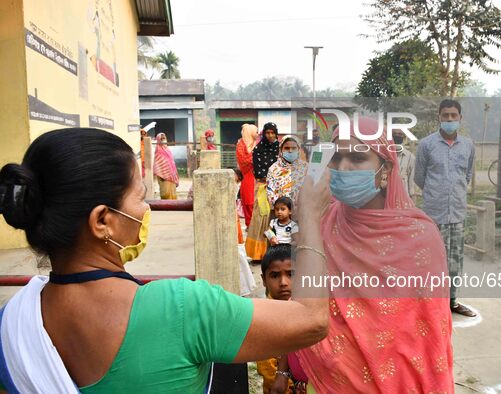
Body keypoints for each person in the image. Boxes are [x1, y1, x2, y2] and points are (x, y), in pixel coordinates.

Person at [0, 127, 331, 393]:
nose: (145, 210)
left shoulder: (11, 324)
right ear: (102, 220)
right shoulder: (183, 308)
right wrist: (311, 218)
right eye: (139, 197)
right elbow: (312, 321)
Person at [296, 118, 453, 393]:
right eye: (336, 158)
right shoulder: (322, 223)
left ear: (385, 169)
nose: (343, 168)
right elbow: (302, 310)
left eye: (356, 159)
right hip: (330, 382)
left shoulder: (420, 238)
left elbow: (429, 337)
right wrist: (307, 218)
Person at [414, 99, 477, 317]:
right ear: (439, 117)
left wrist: (454, 192)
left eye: (453, 116)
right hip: (434, 214)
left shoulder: (468, 145)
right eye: (445, 115)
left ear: (460, 118)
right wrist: (437, 193)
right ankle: (430, 304)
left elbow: (467, 175)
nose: (449, 119)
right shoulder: (426, 145)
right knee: (431, 258)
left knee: (454, 260)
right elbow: (419, 177)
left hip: (457, 213)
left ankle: (451, 301)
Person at [256, 245, 296, 394]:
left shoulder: (308, 309)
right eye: (275, 275)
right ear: (264, 280)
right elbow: (268, 369)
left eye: (291, 274)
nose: (283, 282)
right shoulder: (263, 318)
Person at [245, 122, 279, 262]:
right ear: (264, 134)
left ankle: (275, 252)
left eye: (273, 132)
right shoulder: (258, 149)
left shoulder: (280, 148)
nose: (270, 135)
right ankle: (258, 254)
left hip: (278, 188)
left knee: (275, 217)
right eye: (267, 132)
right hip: (262, 187)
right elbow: (259, 172)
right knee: (261, 218)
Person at [267, 135, 308, 207]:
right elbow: (270, 192)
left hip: (302, 211)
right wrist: (283, 209)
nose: (290, 151)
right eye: (286, 148)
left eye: (294, 148)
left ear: (298, 149)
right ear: (281, 149)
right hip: (280, 212)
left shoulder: (306, 168)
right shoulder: (274, 169)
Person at [235, 124, 258, 227]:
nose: (257, 134)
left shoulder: (258, 144)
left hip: (260, 178)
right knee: (249, 203)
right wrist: (255, 156)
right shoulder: (241, 145)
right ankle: (250, 226)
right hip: (248, 178)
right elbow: (243, 161)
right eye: (256, 132)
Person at [393, 129, 417, 202]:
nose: (397, 136)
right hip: (385, 196)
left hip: (403, 198)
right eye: (394, 134)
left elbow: (412, 180)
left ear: (404, 137)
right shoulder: (383, 155)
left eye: (400, 134)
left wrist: (412, 198)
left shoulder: (410, 157)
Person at [153, 132, 179, 200]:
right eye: (161, 139)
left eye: (164, 138)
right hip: (163, 177)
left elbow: (172, 163)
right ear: (158, 140)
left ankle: (174, 207)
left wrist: (175, 174)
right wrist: (161, 175)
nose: (163, 140)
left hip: (171, 176)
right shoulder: (158, 151)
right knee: (165, 193)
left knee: (172, 193)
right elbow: (157, 164)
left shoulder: (168, 150)